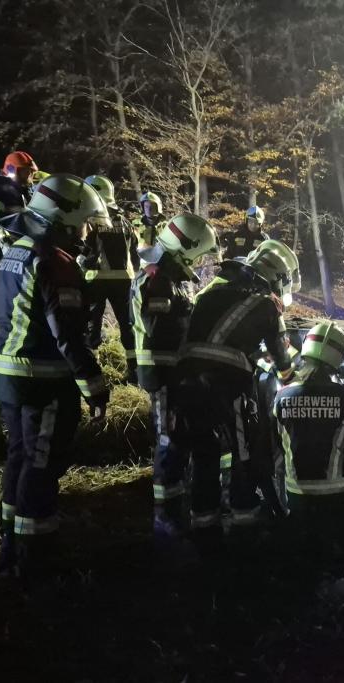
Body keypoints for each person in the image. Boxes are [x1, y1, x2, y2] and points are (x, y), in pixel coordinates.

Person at [0, 173, 111, 582]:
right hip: (42, 379)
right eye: (82, 222)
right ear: (62, 218)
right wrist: (94, 385)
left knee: (20, 458)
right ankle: (35, 558)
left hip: (8, 373)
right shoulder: (55, 263)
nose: (85, 231)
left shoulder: (16, 250)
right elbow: (67, 334)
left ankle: (11, 544)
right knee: (41, 465)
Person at [175, 239, 300, 535]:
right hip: (227, 386)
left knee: (204, 453)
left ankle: (204, 525)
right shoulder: (266, 303)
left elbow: (215, 337)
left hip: (187, 383)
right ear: (277, 277)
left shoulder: (212, 292)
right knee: (244, 451)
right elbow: (281, 354)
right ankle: (245, 520)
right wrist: (291, 379)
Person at [131, 214, 220, 538]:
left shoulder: (164, 275)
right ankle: (165, 521)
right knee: (170, 445)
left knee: (177, 442)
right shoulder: (160, 279)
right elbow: (160, 332)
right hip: (165, 376)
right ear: (186, 247)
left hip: (169, 374)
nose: (198, 261)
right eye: (198, 253)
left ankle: (172, 514)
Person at [273, 321, 344, 558]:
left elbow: (273, 448)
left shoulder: (281, 395)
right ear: (340, 355)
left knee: (306, 561)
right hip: (338, 498)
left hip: (296, 497)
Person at [81, 175, 139, 382]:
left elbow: (86, 251)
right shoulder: (125, 221)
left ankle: (92, 374)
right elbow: (135, 250)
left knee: (91, 326)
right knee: (128, 326)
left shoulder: (91, 218)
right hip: (124, 280)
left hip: (96, 279)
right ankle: (134, 373)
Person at [0, 151, 39, 252]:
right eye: (27, 171)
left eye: (32, 171)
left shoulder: (27, 192)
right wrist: (7, 242)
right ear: (14, 171)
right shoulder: (1, 192)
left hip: (30, 244)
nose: (31, 174)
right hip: (13, 246)